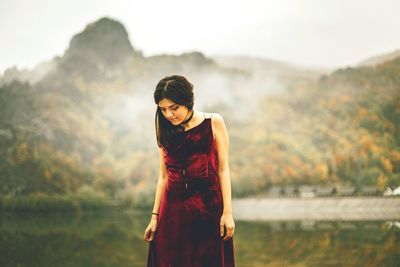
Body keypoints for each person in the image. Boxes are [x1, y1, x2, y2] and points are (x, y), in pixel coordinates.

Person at [144, 75, 235, 266]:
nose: (168, 114)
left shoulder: (213, 122)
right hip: (172, 212)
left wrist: (227, 212)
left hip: (208, 207)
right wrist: (154, 218)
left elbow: (223, 169)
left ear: (188, 102)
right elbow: (163, 176)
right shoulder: (164, 130)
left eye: (173, 108)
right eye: (163, 109)